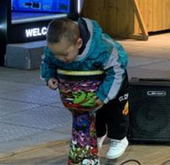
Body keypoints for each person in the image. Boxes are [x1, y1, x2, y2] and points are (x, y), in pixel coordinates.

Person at [41, 18, 130, 160]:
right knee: (93, 110)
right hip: (88, 81)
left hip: (113, 78)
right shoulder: (59, 49)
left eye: (64, 55)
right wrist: (49, 76)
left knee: (115, 109)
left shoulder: (102, 50)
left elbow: (116, 70)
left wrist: (104, 94)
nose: (60, 58)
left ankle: (119, 138)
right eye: (56, 54)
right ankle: (96, 135)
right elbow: (48, 61)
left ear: (79, 43)